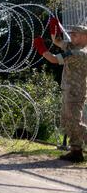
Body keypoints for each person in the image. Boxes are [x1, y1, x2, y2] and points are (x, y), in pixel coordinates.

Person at [34, 19, 87, 163]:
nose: (72, 36)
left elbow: (53, 59)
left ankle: (78, 148)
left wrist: (41, 49)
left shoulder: (80, 54)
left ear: (84, 36)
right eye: (71, 34)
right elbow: (58, 41)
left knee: (75, 123)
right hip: (69, 90)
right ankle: (76, 151)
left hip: (76, 92)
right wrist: (53, 30)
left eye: (75, 34)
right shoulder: (73, 47)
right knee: (67, 121)